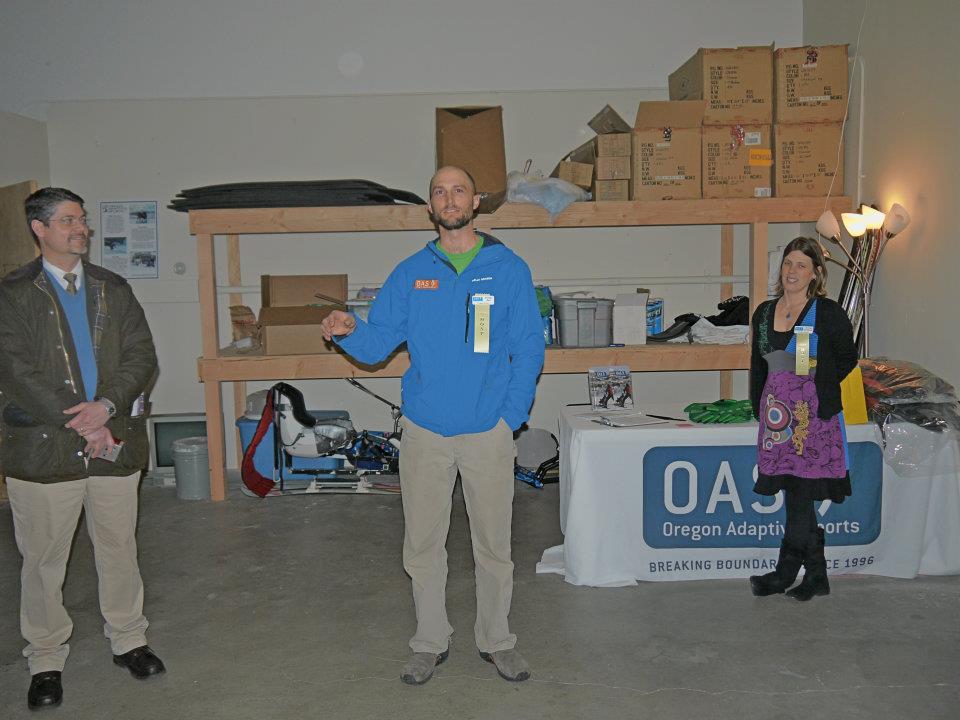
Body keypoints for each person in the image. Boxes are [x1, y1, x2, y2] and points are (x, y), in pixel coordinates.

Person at [320, 166, 545, 684]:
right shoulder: (410, 273)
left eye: (459, 189)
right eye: (440, 192)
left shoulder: (507, 268)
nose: (450, 199)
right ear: (430, 206)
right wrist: (350, 328)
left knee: (494, 545)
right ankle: (429, 641)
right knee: (423, 544)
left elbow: (529, 348)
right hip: (425, 432)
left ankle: (496, 640)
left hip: (487, 431)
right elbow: (377, 344)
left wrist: (509, 417)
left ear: (475, 201)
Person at [0, 188, 164, 710]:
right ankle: (46, 657)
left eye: (83, 220)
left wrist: (107, 407)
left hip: (112, 440)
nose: (82, 228)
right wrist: (83, 419)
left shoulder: (113, 288)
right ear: (39, 228)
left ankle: (129, 640)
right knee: (44, 559)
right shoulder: (12, 294)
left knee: (119, 547)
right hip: (44, 451)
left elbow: (142, 355)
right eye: (68, 220)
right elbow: (15, 372)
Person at [748, 237, 858, 601]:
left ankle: (787, 573)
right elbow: (757, 365)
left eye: (801, 266)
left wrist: (817, 389)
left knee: (799, 493)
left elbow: (847, 358)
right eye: (788, 263)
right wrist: (757, 406)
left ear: (815, 273)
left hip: (815, 420)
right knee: (795, 495)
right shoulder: (764, 312)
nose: (792, 272)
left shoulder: (827, 313)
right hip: (777, 420)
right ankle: (814, 574)